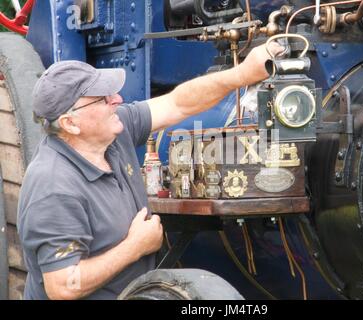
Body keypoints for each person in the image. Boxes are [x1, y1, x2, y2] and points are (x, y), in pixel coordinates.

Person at [17, 43, 282, 300]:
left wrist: (242, 74)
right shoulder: (53, 187)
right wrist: (134, 247)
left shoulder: (114, 132)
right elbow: (63, 287)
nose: (117, 100)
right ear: (70, 123)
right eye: (103, 99)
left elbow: (178, 104)